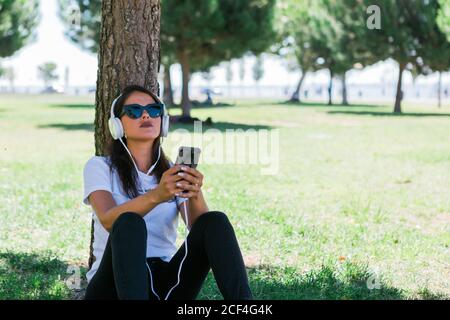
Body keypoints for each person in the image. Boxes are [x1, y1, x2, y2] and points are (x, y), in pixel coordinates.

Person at [82, 84, 253, 300]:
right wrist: (156, 196)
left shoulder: (171, 171)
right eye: (134, 111)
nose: (145, 114)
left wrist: (194, 192)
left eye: (154, 110)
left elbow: (199, 228)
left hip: (166, 280)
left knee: (215, 220)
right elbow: (108, 220)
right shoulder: (100, 166)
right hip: (114, 282)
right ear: (117, 125)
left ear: (162, 121)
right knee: (128, 222)